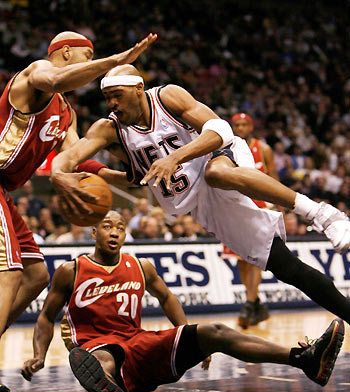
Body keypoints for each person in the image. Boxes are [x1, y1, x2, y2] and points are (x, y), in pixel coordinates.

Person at [50, 64, 350, 330]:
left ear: (138, 88)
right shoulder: (109, 129)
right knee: (286, 267)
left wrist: (174, 157)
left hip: (218, 156)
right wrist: (59, 175)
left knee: (216, 173)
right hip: (202, 204)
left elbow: (220, 128)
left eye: (117, 95)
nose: (112, 103)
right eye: (107, 98)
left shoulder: (166, 97)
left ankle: (322, 214)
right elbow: (72, 157)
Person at [21, 211, 344, 392]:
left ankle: (303, 359)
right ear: (94, 233)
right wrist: (39, 355)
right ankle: (107, 384)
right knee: (100, 360)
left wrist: (183, 331)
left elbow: (168, 298)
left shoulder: (140, 266)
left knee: (213, 332)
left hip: (139, 343)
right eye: (107, 227)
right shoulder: (71, 270)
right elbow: (47, 316)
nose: (115, 232)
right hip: (98, 345)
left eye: (120, 227)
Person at [0, 33, 156, 392]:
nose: (92, 63)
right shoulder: (35, 74)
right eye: (88, 57)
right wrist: (114, 60)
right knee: (8, 274)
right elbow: (54, 80)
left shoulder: (64, 113)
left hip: (4, 192)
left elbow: (75, 156)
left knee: (36, 275)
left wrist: (119, 177)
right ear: (66, 52)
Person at [224, 112, 280, 328]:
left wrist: (277, 204)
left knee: (253, 257)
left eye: (244, 124)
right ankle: (257, 306)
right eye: (236, 124)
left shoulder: (263, 149)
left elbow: (273, 177)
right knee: (240, 259)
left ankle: (248, 303)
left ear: (251, 127)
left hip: (259, 208)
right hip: (235, 208)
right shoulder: (228, 149)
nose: (240, 128)